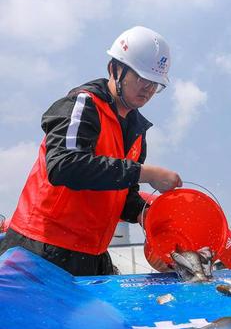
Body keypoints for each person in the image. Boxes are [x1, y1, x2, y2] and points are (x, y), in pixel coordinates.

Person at [0, 26, 183, 275]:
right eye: (141, 78)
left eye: (155, 84)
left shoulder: (137, 131)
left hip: (91, 254)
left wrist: (147, 215)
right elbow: (65, 165)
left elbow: (121, 195)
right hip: (40, 250)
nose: (148, 89)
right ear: (115, 69)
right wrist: (146, 173)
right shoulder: (82, 104)